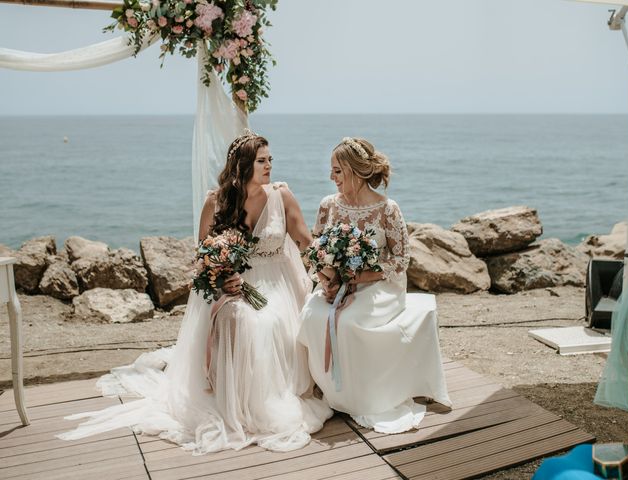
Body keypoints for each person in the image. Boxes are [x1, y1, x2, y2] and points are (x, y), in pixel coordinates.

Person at [57, 131, 332, 454]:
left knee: (265, 324)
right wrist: (221, 279)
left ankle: (257, 403)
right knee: (235, 316)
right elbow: (203, 257)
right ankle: (232, 404)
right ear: (242, 165)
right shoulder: (216, 202)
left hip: (279, 285)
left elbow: (305, 242)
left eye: (270, 159)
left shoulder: (281, 196)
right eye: (262, 161)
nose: (269, 166)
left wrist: (330, 275)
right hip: (233, 284)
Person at [298, 137, 451, 434]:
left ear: (356, 172)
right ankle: (331, 392)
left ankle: (361, 397)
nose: (331, 178)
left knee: (352, 321)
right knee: (311, 315)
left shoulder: (387, 209)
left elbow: (401, 258)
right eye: (331, 171)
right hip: (336, 281)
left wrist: (361, 278)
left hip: (380, 285)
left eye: (337, 171)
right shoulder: (327, 205)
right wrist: (327, 280)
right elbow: (316, 249)